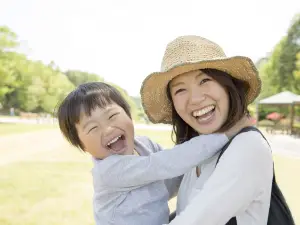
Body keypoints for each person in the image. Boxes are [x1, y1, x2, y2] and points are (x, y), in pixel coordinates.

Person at [140, 35, 294, 224]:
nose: (195, 99)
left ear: (227, 86)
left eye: (204, 80)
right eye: (180, 90)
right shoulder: (197, 151)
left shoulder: (248, 147)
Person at [56, 82, 247, 225]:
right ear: (82, 146)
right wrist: (225, 134)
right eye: (93, 128)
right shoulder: (108, 171)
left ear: (128, 115)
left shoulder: (144, 145)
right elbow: (166, 163)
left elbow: (173, 178)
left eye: (112, 116)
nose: (107, 129)